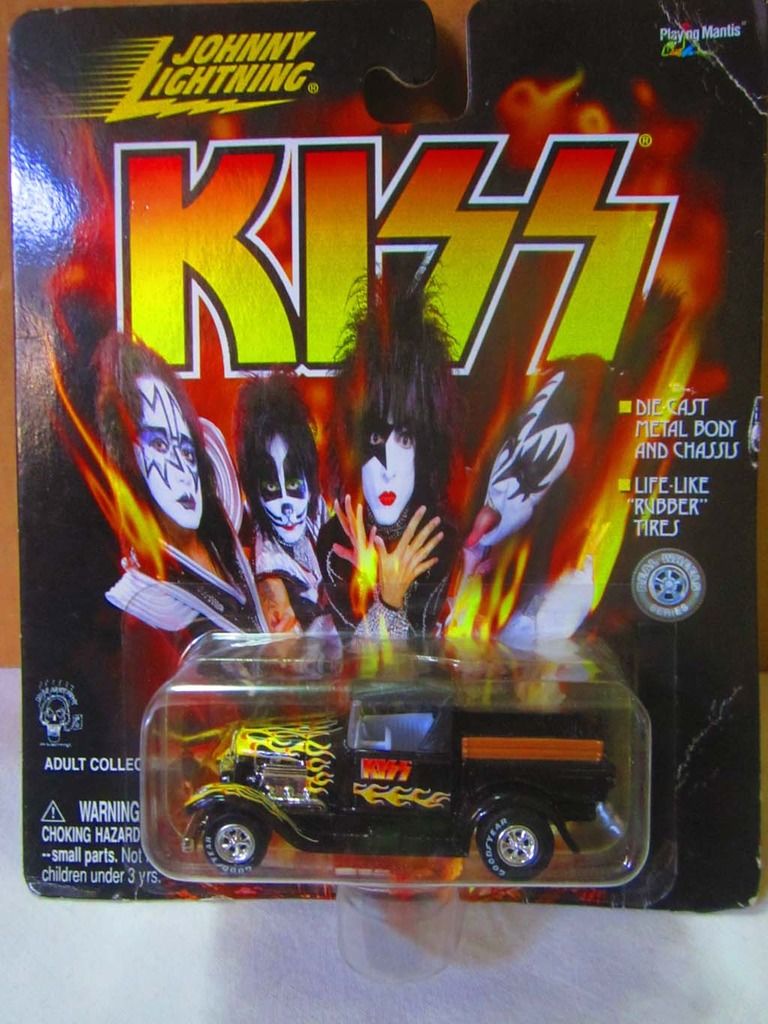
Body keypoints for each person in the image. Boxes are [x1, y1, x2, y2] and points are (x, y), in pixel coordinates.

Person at [94, 331, 264, 637]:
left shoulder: (230, 522)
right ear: (127, 458)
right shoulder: (143, 603)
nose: (183, 471)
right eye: (159, 445)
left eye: (186, 451)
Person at [317, 271, 457, 638]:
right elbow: (358, 665)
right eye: (376, 437)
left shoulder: (439, 540)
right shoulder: (335, 544)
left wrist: (390, 595)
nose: (388, 470)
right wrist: (384, 596)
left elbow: (419, 661)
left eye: (406, 439)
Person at [235, 374, 333, 634]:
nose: (286, 506)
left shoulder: (320, 515)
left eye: (293, 483)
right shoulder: (262, 559)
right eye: (270, 487)